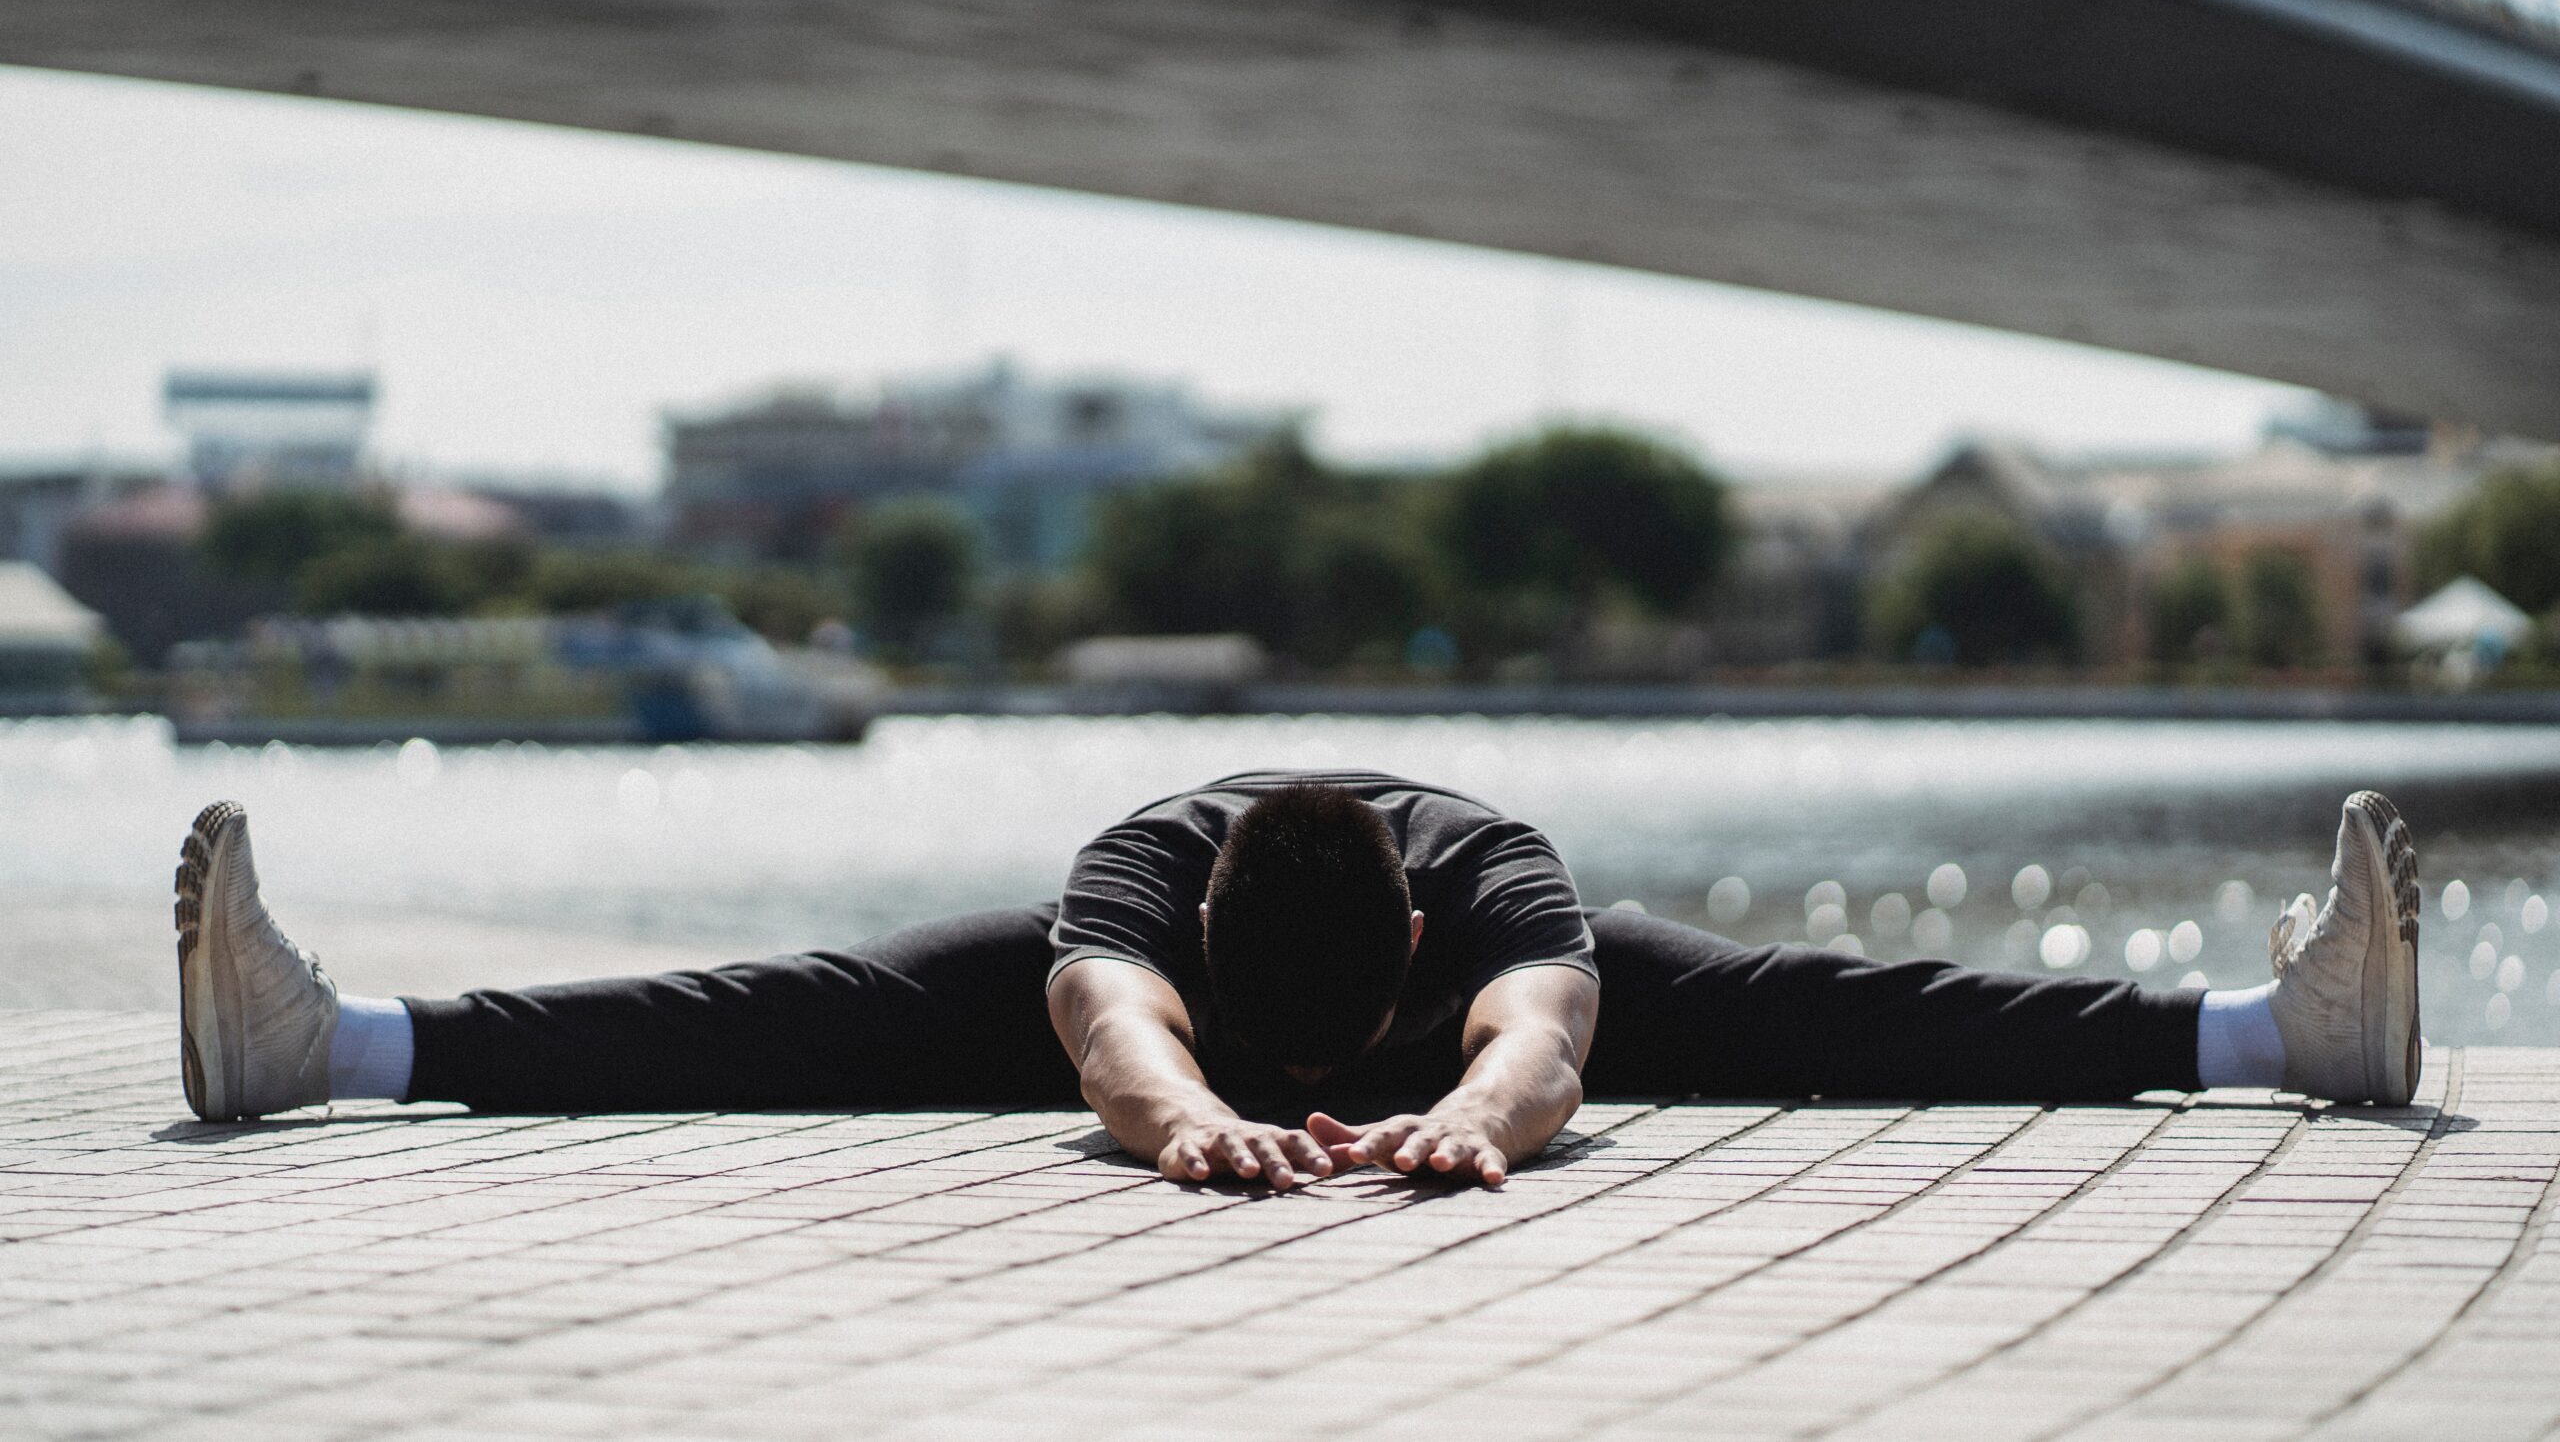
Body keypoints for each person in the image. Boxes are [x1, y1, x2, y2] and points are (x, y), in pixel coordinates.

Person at [171, 770, 2424, 1187]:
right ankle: (327, 1044)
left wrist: (1473, 1114)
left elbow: (1540, 1038)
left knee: (1799, 998)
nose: (1308, 1084)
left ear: (1418, 950)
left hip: (1514, 973)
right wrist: (1186, 1120)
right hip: (1137, 968)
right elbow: (1107, 1033)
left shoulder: (1505, 892)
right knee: (814, 1002)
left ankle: (2273, 1033)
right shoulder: (1131, 888)